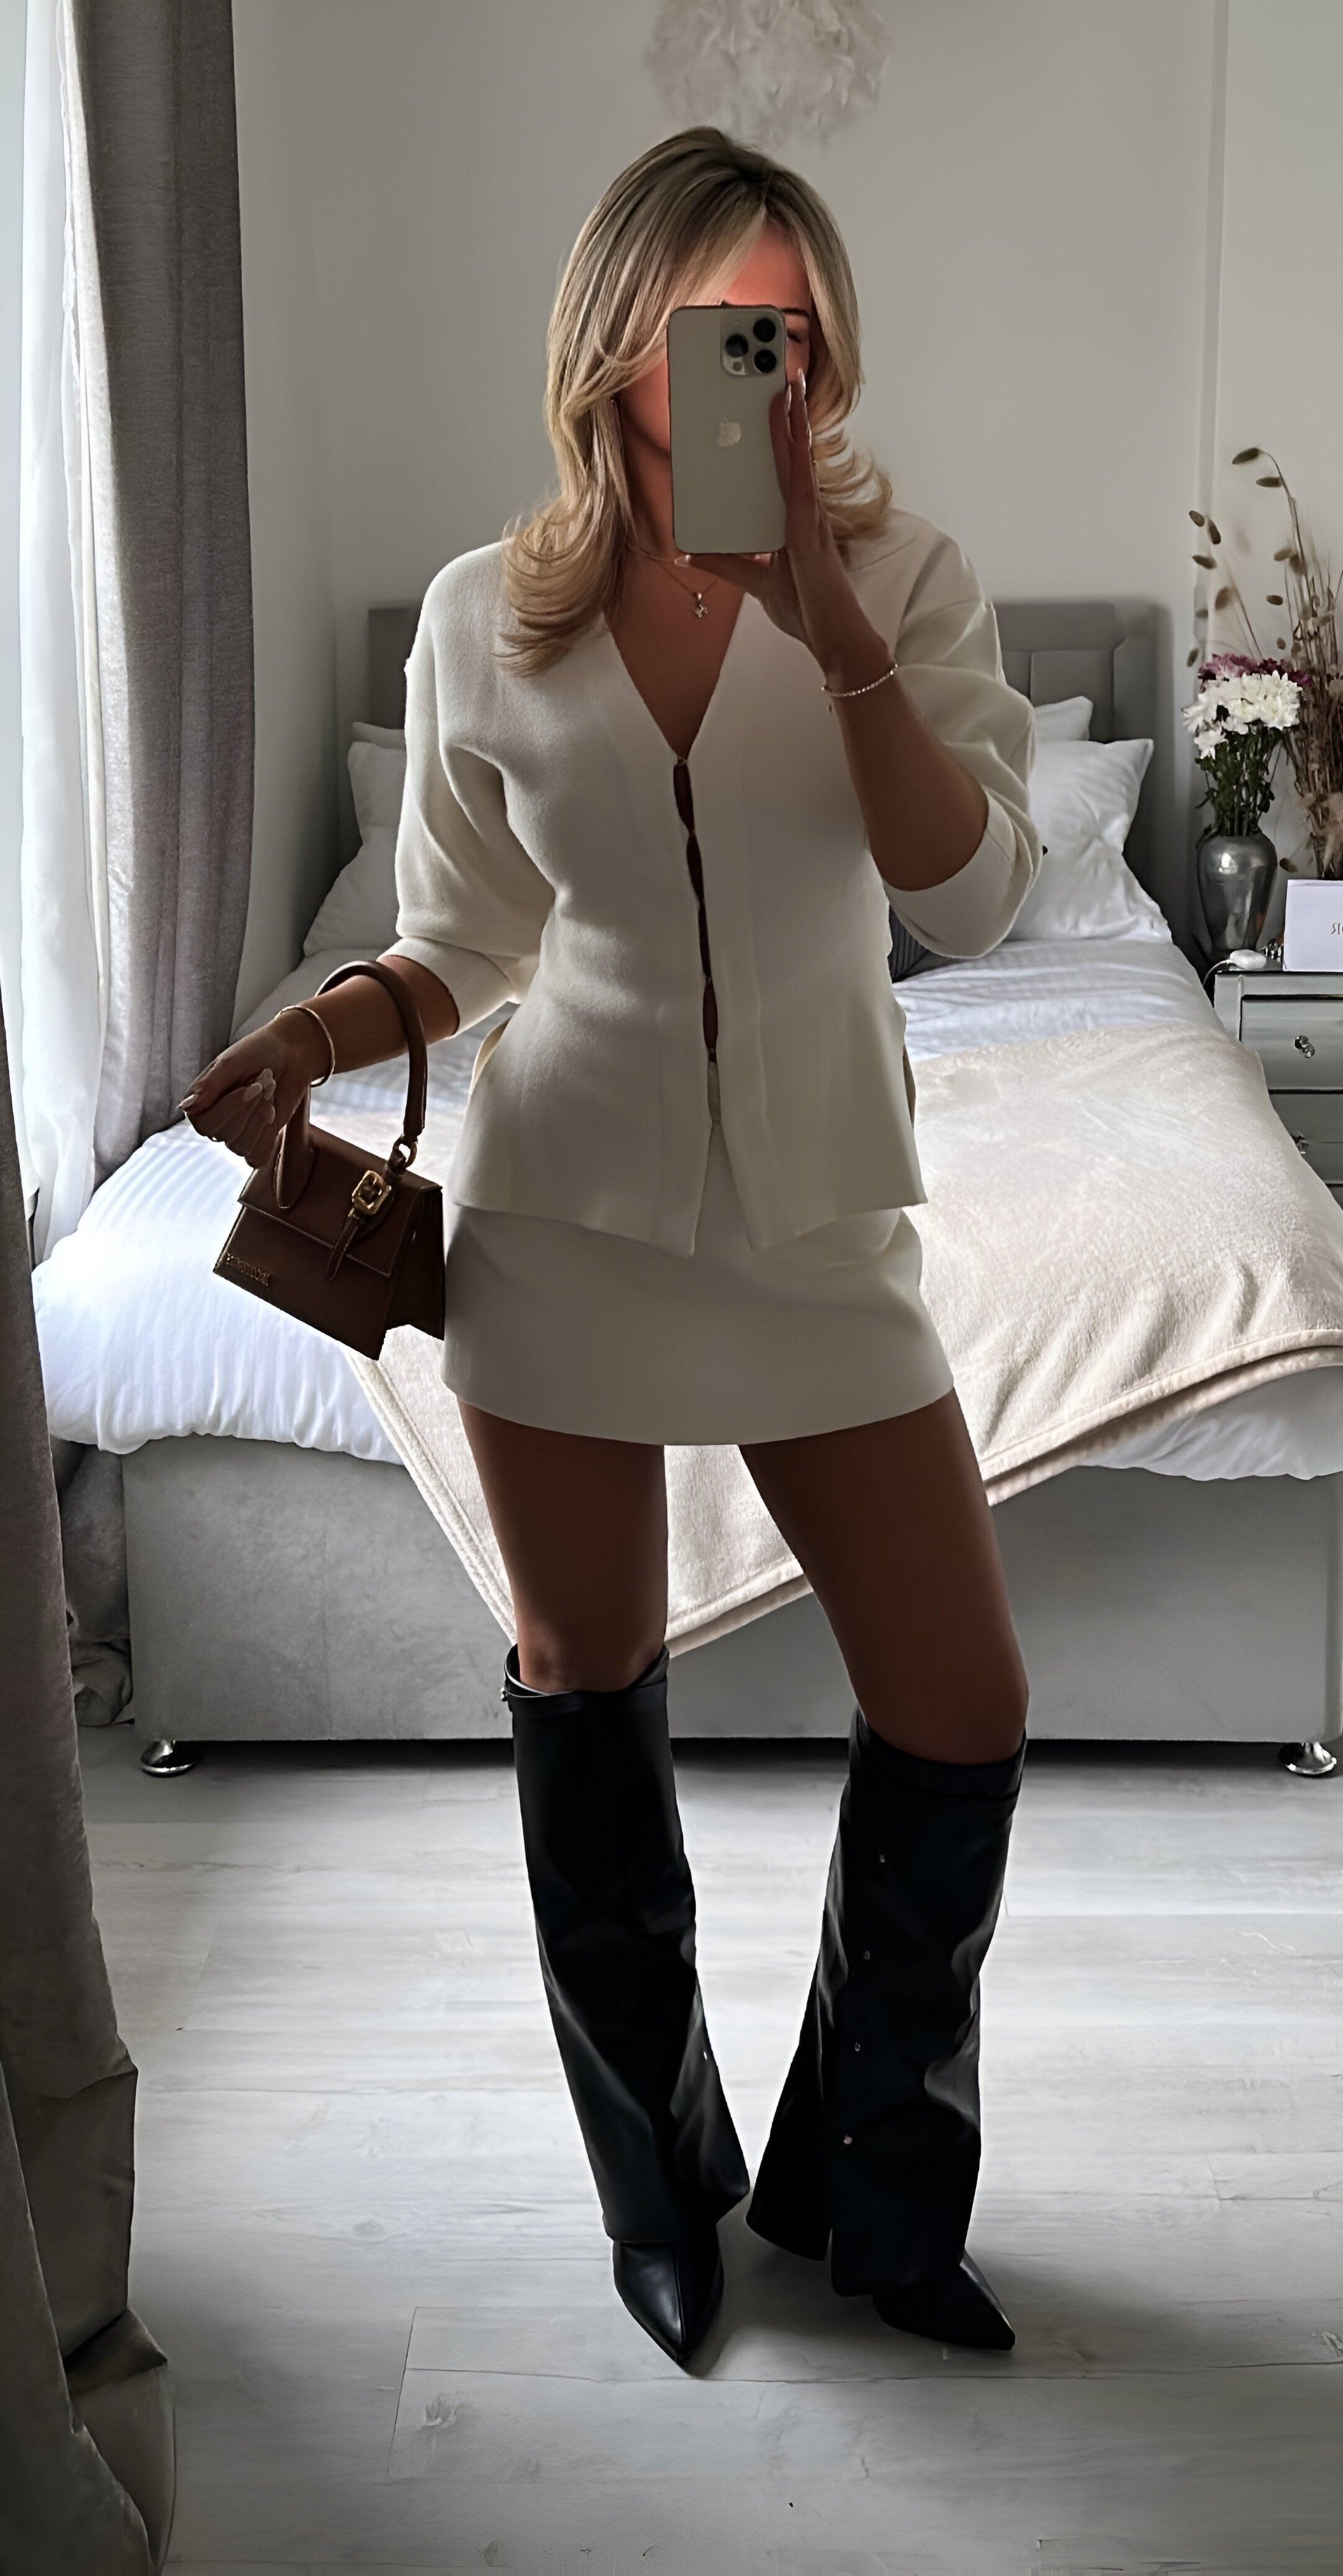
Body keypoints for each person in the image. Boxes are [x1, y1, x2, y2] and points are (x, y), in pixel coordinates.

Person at [181, 126, 1041, 2371]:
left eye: (800, 326)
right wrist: (311, 1031)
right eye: (723, 325)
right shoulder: (488, 610)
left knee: (959, 1702)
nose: (773, 368)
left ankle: (869, 2185)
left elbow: (972, 897)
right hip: (559, 1222)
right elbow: (462, 934)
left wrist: (829, 629)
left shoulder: (905, 576)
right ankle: (657, 2190)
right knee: (583, 1690)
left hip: (821, 1225)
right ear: (615, 339)